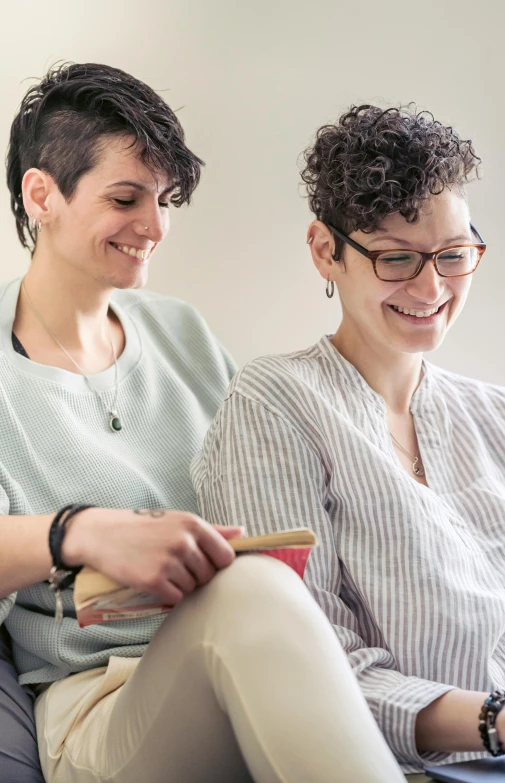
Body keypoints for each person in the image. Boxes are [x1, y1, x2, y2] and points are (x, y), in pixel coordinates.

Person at [0, 66, 406, 783]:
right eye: (126, 199)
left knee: (267, 588)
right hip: (103, 700)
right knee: (252, 594)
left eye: (164, 201)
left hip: (251, 655)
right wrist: (80, 530)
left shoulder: (181, 332)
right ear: (42, 196)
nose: (155, 228)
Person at [192, 104, 505, 780]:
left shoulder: (504, 419)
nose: (432, 287)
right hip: (426, 765)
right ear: (326, 250)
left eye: (455, 255)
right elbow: (302, 666)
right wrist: (498, 721)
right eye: (397, 258)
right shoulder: (275, 403)